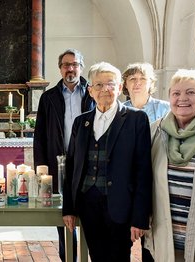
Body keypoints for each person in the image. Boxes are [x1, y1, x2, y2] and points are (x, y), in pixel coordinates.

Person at [62, 62, 152, 262]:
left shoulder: (137, 120)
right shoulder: (81, 122)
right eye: (99, 85)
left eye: (110, 84)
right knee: (97, 256)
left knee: (118, 257)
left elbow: (143, 171)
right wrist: (68, 207)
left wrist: (140, 217)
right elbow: (71, 167)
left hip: (121, 205)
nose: (105, 89)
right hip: (88, 204)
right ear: (90, 90)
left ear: (120, 88)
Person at [34, 48, 95, 262]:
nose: (70, 68)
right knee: (63, 214)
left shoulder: (93, 92)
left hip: (88, 162)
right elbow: (39, 135)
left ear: (81, 66)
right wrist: (40, 169)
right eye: (66, 65)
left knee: (89, 211)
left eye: (75, 64)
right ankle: (68, 256)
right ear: (60, 69)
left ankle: (89, 254)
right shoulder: (48, 98)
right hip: (58, 161)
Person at [145, 69, 195, 262]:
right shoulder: (155, 131)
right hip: (164, 236)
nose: (183, 98)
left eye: (191, 92)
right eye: (176, 93)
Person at [122, 62, 169, 262]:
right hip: (130, 182)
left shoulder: (165, 109)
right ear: (125, 84)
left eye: (143, 79)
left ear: (151, 83)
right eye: (132, 79)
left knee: (154, 241)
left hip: (159, 178)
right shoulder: (120, 111)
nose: (137, 83)